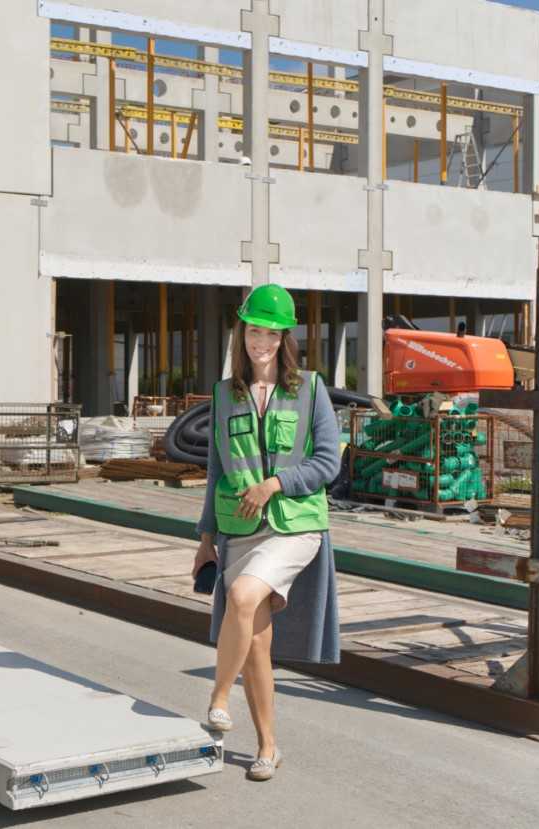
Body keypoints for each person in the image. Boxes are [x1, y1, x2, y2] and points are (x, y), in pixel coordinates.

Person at [191, 283, 341, 781]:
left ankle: (216, 695)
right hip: (239, 528)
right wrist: (206, 538)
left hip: (294, 526)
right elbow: (216, 470)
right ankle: (268, 747)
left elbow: (328, 463)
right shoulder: (223, 394)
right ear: (243, 333)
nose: (262, 342)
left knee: (242, 593)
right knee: (255, 643)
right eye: (255, 331)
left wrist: (276, 483)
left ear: (284, 338)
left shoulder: (312, 390)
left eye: (271, 334)